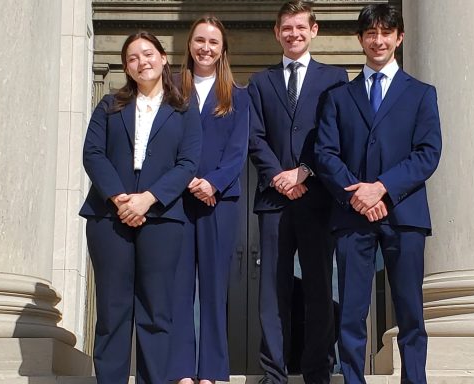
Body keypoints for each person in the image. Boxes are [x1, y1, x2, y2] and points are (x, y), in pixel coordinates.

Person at [314, 4, 442, 384]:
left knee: (409, 312)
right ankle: (354, 379)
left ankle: (414, 379)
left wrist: (381, 189)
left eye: (387, 32)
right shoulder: (339, 97)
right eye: (371, 33)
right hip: (352, 217)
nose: (379, 40)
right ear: (360, 39)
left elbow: (427, 153)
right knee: (352, 312)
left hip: (404, 216)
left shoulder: (421, 94)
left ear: (399, 37)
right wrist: (357, 196)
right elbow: (325, 153)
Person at [79, 31, 202, 384]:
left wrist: (148, 198)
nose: (141, 62)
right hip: (109, 218)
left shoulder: (183, 110)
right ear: (126, 67)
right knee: (113, 312)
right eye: (132, 58)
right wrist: (119, 198)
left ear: (163, 58)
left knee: (156, 312)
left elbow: (188, 163)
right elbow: (93, 154)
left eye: (147, 54)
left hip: (162, 218)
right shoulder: (109, 105)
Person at [248, 2, 348, 384]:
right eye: (286, 28)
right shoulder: (259, 82)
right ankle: (273, 372)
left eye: (300, 28)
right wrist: (279, 176)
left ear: (314, 30)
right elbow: (254, 137)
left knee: (320, 286)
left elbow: (333, 134)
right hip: (274, 200)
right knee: (273, 292)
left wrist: (304, 172)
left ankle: (316, 369)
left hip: (317, 197)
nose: (293, 34)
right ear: (277, 33)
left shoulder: (335, 78)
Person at [168, 16, 249, 384]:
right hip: (177, 201)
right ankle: (182, 370)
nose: (205, 48)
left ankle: (212, 372)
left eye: (213, 42)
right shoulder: (171, 91)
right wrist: (185, 181)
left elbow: (238, 151)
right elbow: (164, 146)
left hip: (220, 202)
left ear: (222, 50)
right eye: (199, 40)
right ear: (189, 45)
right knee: (179, 287)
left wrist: (213, 183)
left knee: (215, 289)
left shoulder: (238, 95)